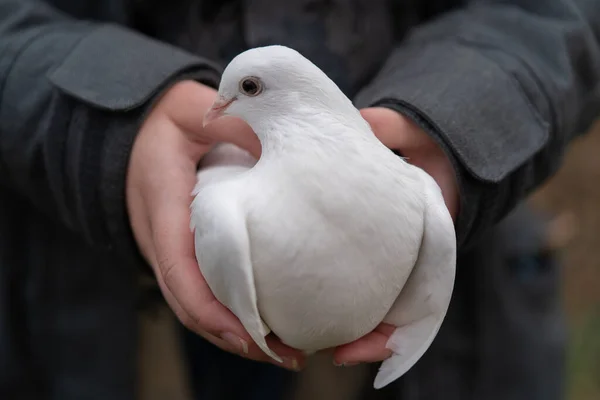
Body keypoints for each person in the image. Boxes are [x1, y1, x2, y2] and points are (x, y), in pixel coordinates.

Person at [0, 0, 598, 399]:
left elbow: (561, 13)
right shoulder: (223, 211)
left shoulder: (421, 203)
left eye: (248, 90)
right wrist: (108, 129)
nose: (222, 107)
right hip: (93, 297)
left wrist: (456, 116)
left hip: (464, 314)